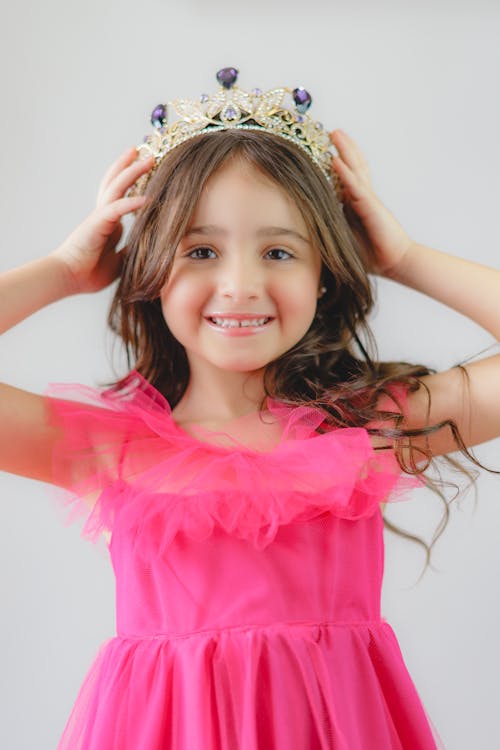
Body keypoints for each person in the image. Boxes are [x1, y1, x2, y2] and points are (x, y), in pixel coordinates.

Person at [1, 67, 499, 749]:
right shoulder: (107, 447)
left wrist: (404, 256)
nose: (240, 285)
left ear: (324, 272)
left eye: (279, 251)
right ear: (148, 269)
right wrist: (61, 270)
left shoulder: (368, 427)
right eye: (200, 250)